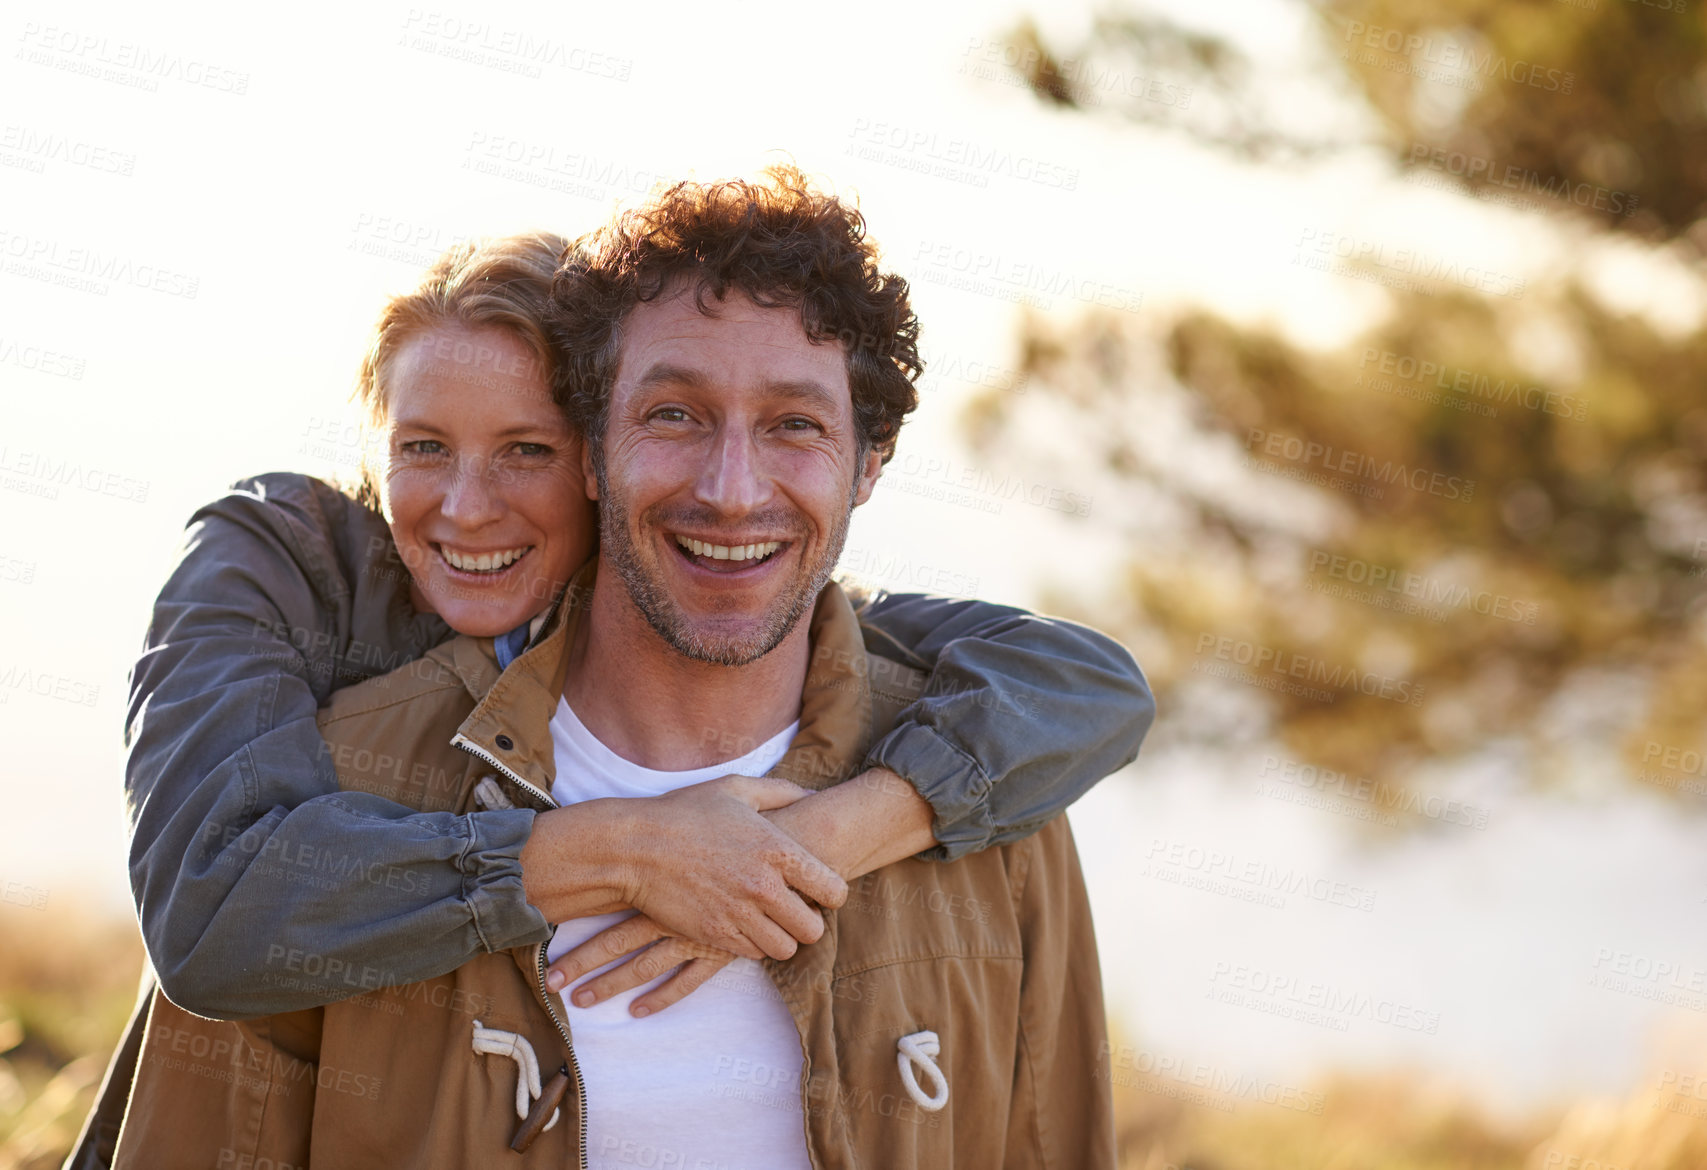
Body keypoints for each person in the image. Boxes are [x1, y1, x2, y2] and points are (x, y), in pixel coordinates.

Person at [69, 218, 1149, 1163]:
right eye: (424, 448)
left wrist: (827, 835)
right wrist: (632, 849)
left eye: (524, 450)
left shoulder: (948, 763)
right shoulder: (300, 617)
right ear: (614, 449)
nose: (468, 508)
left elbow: (1080, 682)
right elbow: (214, 926)